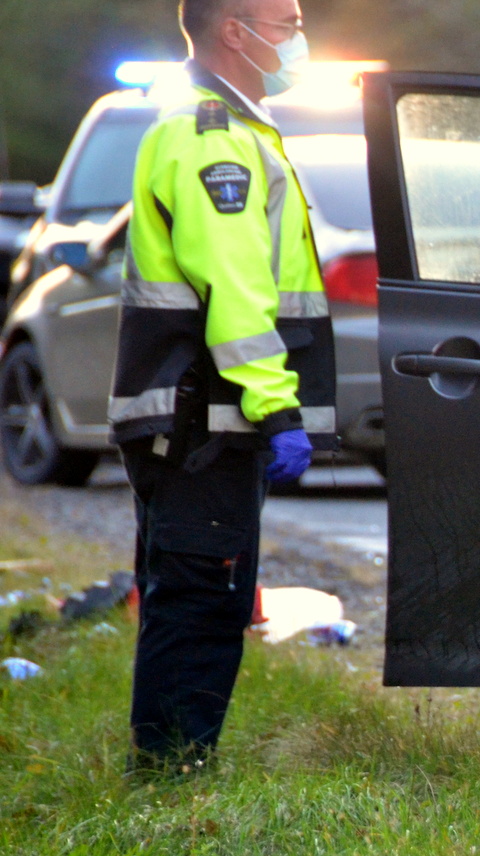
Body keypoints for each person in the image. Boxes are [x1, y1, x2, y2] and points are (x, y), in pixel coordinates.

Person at [114, 0, 336, 772]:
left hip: (200, 413)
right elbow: (235, 289)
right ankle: (174, 772)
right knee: (202, 596)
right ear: (234, 31)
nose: (299, 37)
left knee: (200, 590)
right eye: (287, 22)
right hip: (203, 416)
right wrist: (277, 409)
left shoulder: (233, 129)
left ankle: (175, 764)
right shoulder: (215, 140)